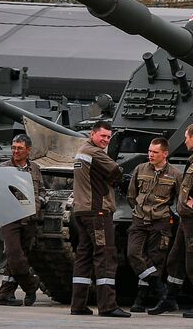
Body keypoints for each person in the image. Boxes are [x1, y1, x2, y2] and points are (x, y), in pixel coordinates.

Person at [149, 122, 193, 319]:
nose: (184, 140)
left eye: (186, 137)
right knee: (175, 259)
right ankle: (169, 299)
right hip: (187, 219)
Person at [72, 120, 128, 317]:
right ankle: (108, 306)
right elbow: (117, 172)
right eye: (102, 136)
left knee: (84, 256)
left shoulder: (82, 151)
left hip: (81, 211)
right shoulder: (95, 153)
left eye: (108, 137)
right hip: (97, 212)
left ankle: (78, 304)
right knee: (105, 255)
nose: (105, 140)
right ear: (92, 134)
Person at [125, 137, 182, 312]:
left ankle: (140, 300)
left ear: (165, 154)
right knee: (134, 254)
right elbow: (131, 195)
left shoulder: (175, 174)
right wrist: (140, 210)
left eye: (154, 152)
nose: (150, 155)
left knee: (155, 259)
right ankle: (162, 290)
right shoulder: (140, 169)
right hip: (140, 219)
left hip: (161, 221)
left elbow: (180, 199)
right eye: (149, 151)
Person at [0, 134, 44, 307]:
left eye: (20, 148)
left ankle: (5, 295)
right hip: (10, 218)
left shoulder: (35, 169)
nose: (15, 151)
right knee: (14, 255)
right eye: (14, 147)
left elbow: (42, 189)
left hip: (30, 219)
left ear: (28, 150)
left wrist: (42, 201)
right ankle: (31, 285)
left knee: (19, 257)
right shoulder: (3, 168)